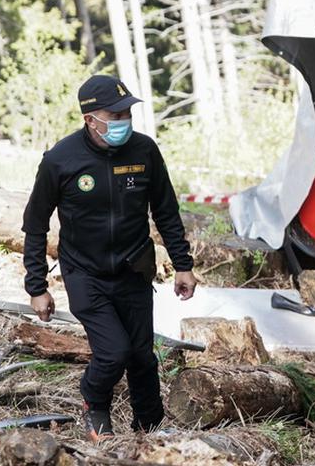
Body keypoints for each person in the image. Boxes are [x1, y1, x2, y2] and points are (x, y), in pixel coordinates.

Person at [22, 75, 197, 438]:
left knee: (142, 356)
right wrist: (37, 286)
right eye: (114, 115)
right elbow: (35, 224)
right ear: (90, 119)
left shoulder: (144, 150)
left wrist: (183, 264)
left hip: (134, 268)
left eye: (126, 113)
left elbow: (166, 210)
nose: (123, 121)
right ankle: (94, 401)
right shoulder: (60, 160)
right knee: (113, 352)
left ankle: (150, 428)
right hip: (85, 272)